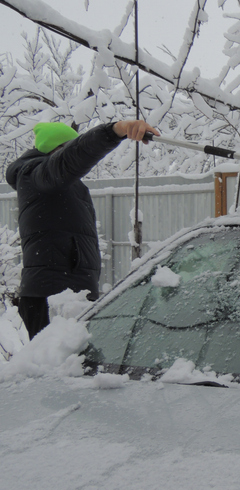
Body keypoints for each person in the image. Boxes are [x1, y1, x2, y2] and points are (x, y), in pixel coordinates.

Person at [5, 119, 160, 339]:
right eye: (70, 147)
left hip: (70, 292)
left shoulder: (61, 184)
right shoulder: (35, 174)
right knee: (56, 369)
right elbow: (71, 158)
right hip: (53, 295)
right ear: (57, 151)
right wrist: (116, 130)